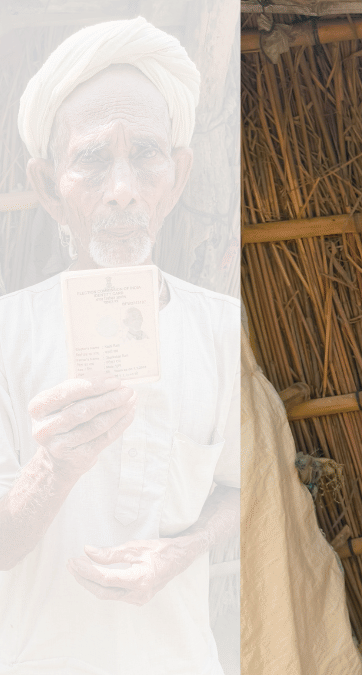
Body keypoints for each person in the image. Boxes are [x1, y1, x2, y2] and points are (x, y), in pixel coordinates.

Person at [0, 18, 239, 674]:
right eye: (92, 159)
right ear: (48, 186)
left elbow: (244, 486)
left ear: (178, 175)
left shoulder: (223, 330)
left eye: (147, 154)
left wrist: (183, 549)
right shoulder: (6, 335)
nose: (124, 187)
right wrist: (52, 469)